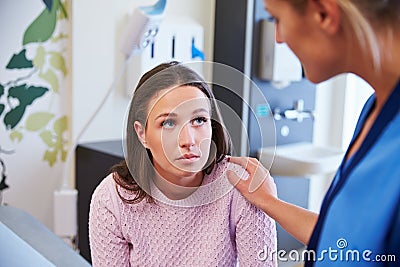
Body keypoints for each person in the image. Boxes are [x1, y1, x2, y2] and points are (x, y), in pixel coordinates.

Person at [227, 0, 400, 266]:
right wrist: (268, 201)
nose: (279, 38)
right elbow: (345, 240)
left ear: (323, 14)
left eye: (277, 20)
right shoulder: (374, 109)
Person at [89, 61, 277, 266]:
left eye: (199, 120)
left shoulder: (241, 188)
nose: (189, 140)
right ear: (142, 133)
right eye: (168, 123)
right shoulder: (112, 198)